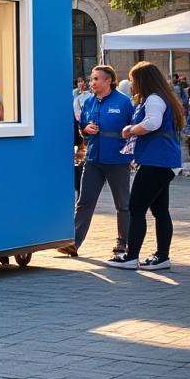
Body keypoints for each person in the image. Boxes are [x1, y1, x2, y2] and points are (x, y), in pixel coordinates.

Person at [107, 61, 183, 271]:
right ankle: (162, 256)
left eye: (133, 80)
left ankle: (131, 257)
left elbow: (152, 123)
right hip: (164, 161)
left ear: (142, 80)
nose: (132, 85)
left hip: (156, 161)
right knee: (160, 210)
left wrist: (131, 129)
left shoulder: (154, 99)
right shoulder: (160, 97)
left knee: (135, 208)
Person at [59, 65, 133, 257]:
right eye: (91, 79)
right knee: (84, 202)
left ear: (109, 81)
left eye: (96, 79)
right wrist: (85, 130)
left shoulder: (124, 102)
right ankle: (74, 242)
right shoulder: (88, 102)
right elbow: (82, 128)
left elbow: (133, 130)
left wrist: (132, 155)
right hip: (93, 159)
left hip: (118, 160)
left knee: (122, 204)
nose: (91, 82)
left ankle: (123, 244)